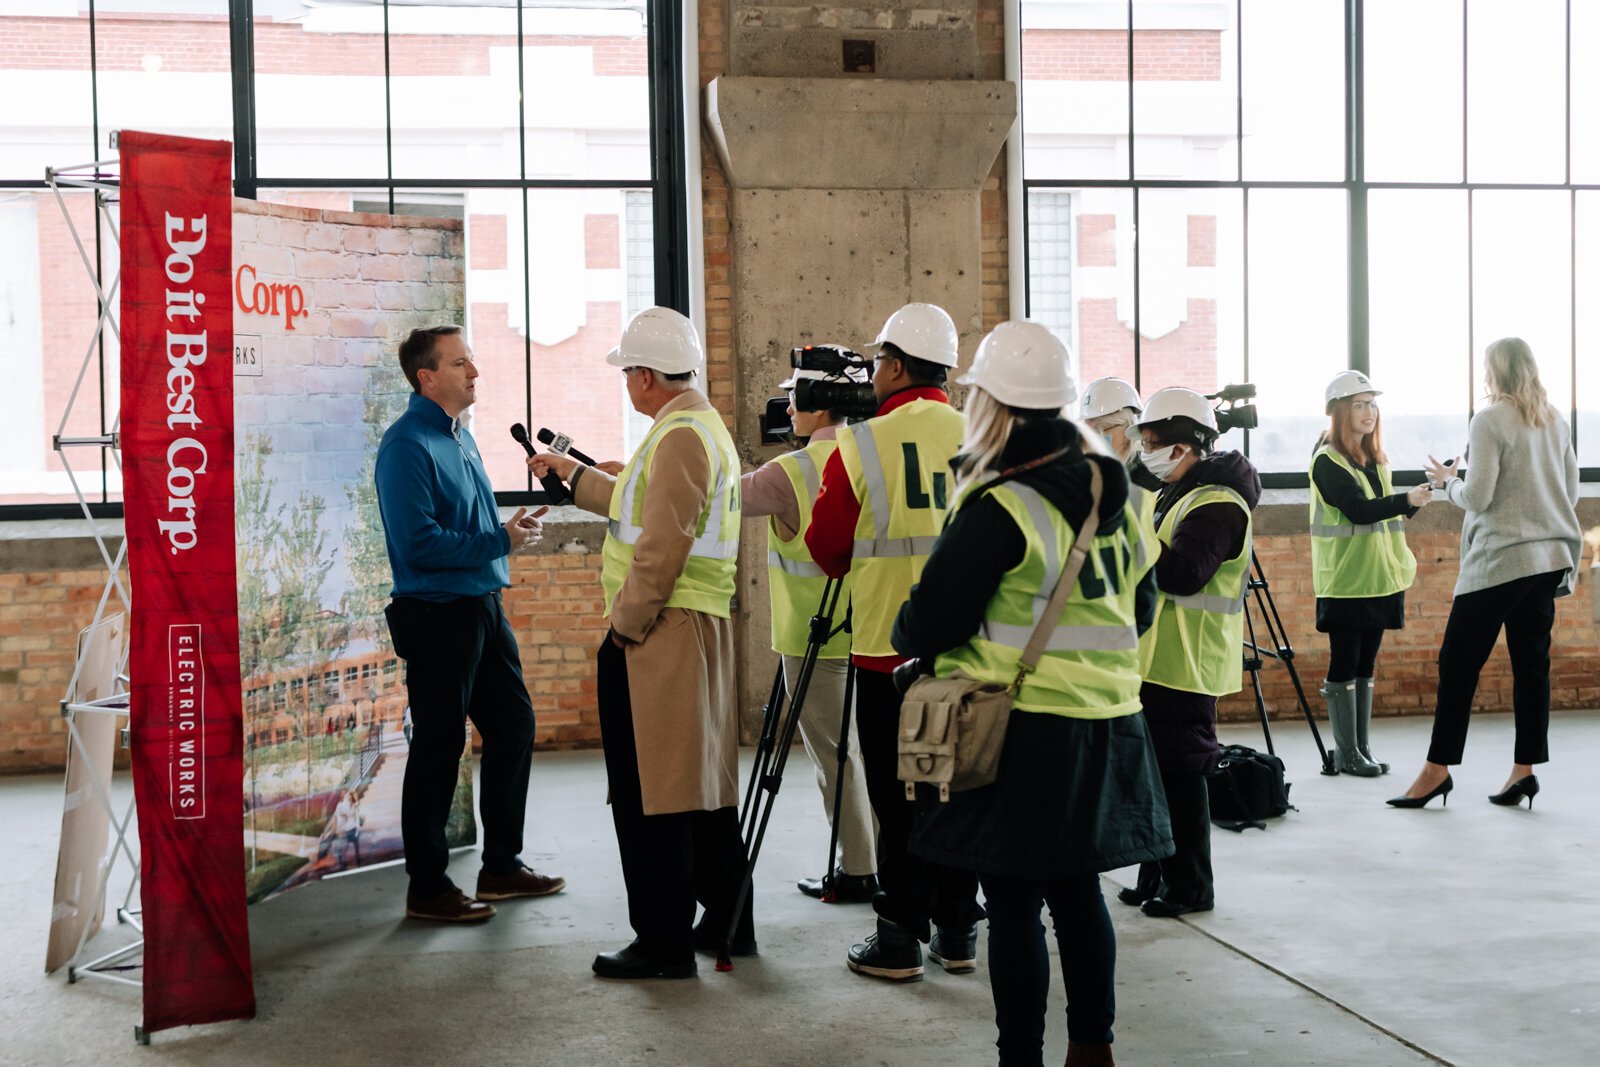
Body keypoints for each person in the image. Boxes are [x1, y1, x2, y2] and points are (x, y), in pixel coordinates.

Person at [893, 321, 1172, 1067]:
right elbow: (1143, 606)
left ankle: (1020, 1057)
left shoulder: (1001, 504)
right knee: (1079, 895)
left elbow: (930, 621)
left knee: (1015, 903)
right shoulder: (1113, 493)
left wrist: (908, 627)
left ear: (990, 405)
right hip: (1110, 723)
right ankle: (1093, 1049)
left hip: (1021, 730)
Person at [530, 306, 752, 979]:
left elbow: (661, 547)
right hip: (692, 626)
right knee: (696, 786)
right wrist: (572, 475)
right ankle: (728, 920)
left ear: (647, 376)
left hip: (661, 629)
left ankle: (662, 941)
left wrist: (624, 628)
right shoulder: (695, 427)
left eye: (628, 372)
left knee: (650, 795)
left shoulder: (678, 438)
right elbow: (640, 504)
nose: (626, 383)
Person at [805, 302, 984, 983]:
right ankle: (959, 930)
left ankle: (900, 935)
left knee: (898, 797)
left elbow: (827, 549)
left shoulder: (861, 443)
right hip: (969, 652)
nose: (874, 371)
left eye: (879, 359)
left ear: (900, 366)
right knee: (956, 787)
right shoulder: (979, 437)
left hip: (887, 649)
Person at [375, 324, 566, 923]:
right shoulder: (406, 445)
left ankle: (501, 867)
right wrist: (498, 540)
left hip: (482, 604)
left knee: (513, 727)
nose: (475, 372)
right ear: (426, 377)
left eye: (472, 361)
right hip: (436, 614)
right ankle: (427, 886)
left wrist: (507, 533)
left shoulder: (462, 437)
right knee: (439, 745)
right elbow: (419, 543)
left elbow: (468, 526)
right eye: (460, 364)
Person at [1390, 338, 1582, 810]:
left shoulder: (1490, 419)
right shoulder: (1554, 418)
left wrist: (1448, 482)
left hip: (1502, 560)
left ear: (1493, 371)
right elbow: (1571, 492)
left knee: (1457, 664)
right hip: (1549, 558)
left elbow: (1477, 498)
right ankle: (1524, 771)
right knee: (1531, 666)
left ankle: (1436, 771)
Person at [739, 364, 879, 903]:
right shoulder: (874, 458)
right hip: (872, 631)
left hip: (811, 638)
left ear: (819, 404)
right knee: (872, 753)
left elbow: (713, 499)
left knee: (834, 756)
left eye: (794, 399)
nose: (788, 409)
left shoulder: (788, 472)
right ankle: (883, 860)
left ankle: (859, 868)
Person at [1121, 386, 1260, 918]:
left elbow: (1183, 574)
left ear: (1183, 447)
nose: (1145, 453)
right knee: (1156, 775)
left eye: (1152, 444)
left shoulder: (1217, 504)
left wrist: (1132, 525)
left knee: (1181, 776)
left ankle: (1191, 887)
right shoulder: (1179, 491)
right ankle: (1154, 875)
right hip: (1161, 657)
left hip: (1189, 660)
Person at [1310, 370, 1431, 777]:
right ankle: (1346, 753)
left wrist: (1414, 499)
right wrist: (1404, 499)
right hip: (1347, 580)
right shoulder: (1327, 461)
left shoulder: (1375, 459)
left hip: (1380, 576)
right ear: (1339, 411)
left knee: (1366, 663)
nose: (1369, 412)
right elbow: (1358, 511)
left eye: (1372, 404)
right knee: (1345, 660)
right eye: (1359, 405)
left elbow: (1383, 513)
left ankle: (1361, 748)